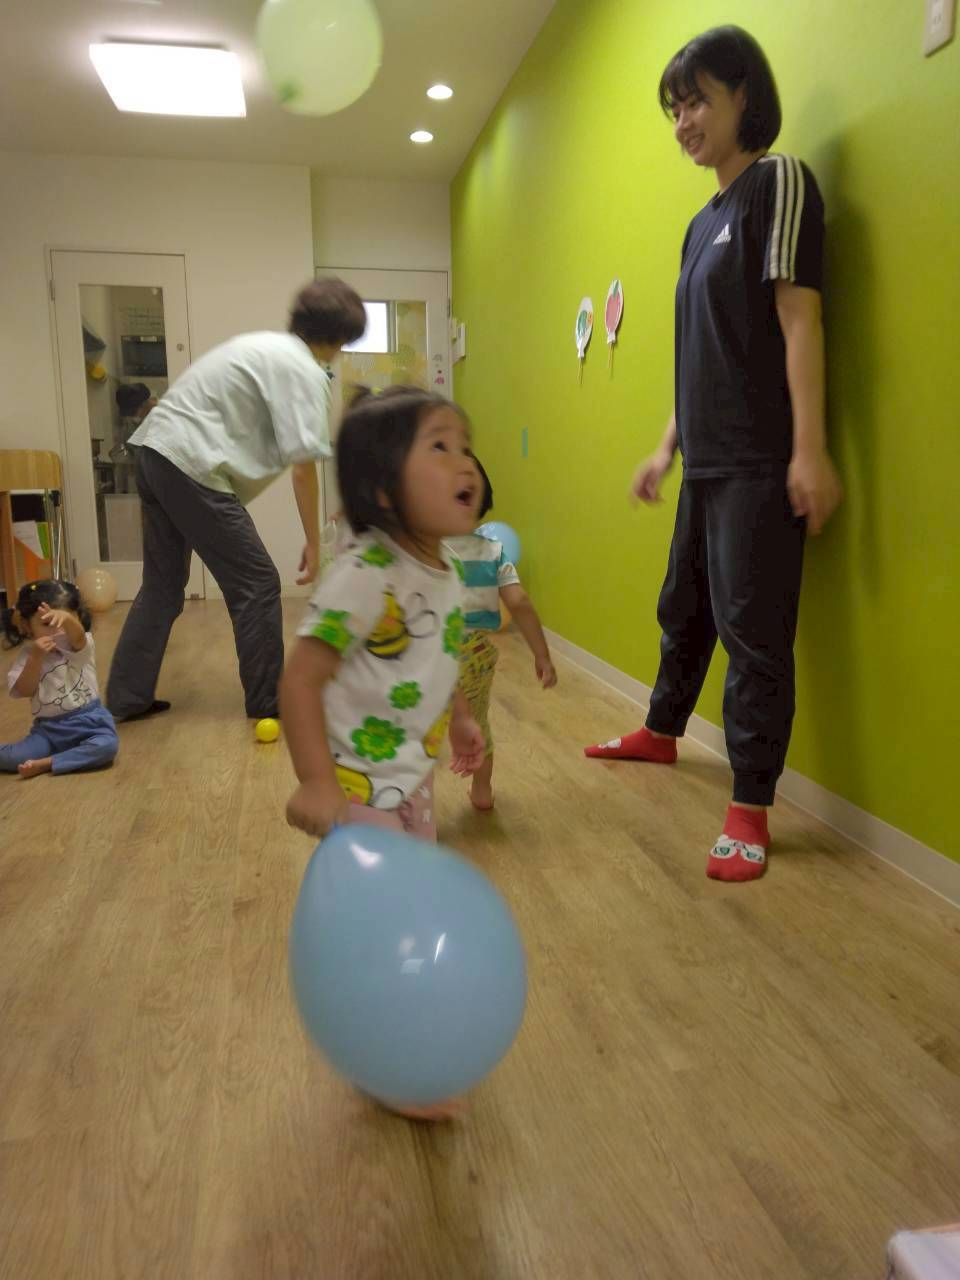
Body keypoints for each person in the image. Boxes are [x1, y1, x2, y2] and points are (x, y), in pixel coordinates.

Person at [584, 26, 842, 882]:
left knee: (753, 636)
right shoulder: (701, 225)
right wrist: (666, 447)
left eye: (696, 101)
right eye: (674, 109)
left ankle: (749, 806)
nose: (684, 122)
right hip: (705, 460)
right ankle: (662, 731)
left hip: (762, 460)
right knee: (683, 609)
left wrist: (810, 450)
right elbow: (704, 353)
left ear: (743, 95)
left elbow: (800, 320)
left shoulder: (779, 183)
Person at [106, 276, 366, 723]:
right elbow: (303, 467)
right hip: (191, 464)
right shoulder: (306, 371)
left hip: (154, 451)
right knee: (257, 582)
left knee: (163, 586)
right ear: (340, 337)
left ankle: (126, 698)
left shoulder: (261, 345)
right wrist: (314, 542)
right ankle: (268, 701)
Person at [280, 385, 486, 845]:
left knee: (413, 873)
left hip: (413, 774)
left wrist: (459, 717)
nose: (465, 463)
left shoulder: (450, 569)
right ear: (383, 490)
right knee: (381, 884)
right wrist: (315, 782)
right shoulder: (366, 574)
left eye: (465, 447)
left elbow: (440, 656)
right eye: (440, 446)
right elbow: (299, 680)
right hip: (354, 782)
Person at [446, 458, 557, 811]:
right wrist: (541, 654)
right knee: (477, 723)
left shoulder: (425, 549)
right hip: (475, 654)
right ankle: (481, 790)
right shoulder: (494, 551)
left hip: (430, 652)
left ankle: (412, 807)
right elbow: (519, 602)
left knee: (418, 730)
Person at [1, 580, 119, 779]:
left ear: (78, 618)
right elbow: (25, 690)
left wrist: (67, 620)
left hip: (90, 724)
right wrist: (35, 659)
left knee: (107, 746)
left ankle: (48, 763)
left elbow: (78, 637)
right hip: (48, 730)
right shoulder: (28, 654)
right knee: (15, 757)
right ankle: (64, 757)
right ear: (27, 626)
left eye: (66, 622)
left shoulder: (80, 645)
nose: (58, 631)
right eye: (47, 624)